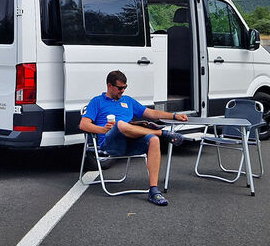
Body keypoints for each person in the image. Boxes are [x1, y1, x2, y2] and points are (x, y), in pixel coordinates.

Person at [79, 70, 189, 206]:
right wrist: (102, 129)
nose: (122, 91)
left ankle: (154, 191)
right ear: (109, 86)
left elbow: (151, 113)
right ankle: (163, 134)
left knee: (153, 140)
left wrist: (174, 116)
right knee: (120, 124)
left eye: (125, 87)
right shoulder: (97, 101)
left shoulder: (128, 101)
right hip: (111, 144)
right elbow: (83, 125)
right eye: (120, 88)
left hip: (131, 141)